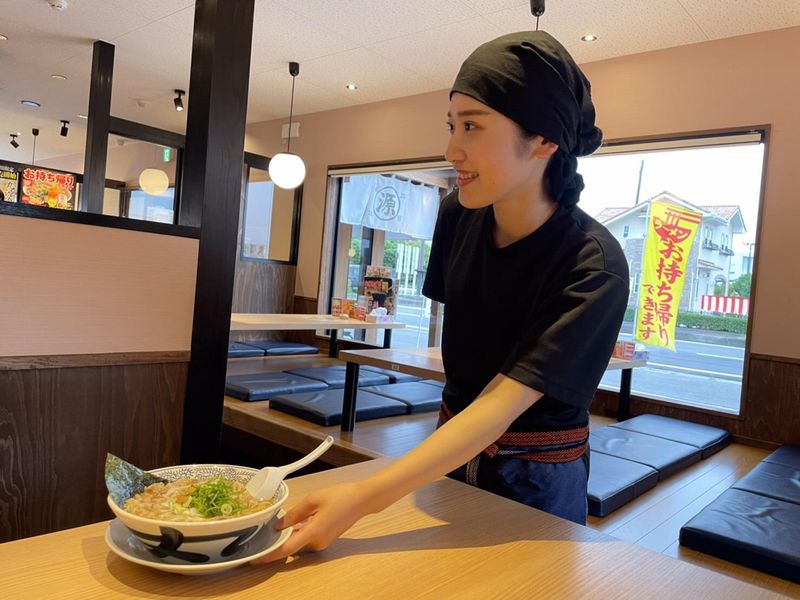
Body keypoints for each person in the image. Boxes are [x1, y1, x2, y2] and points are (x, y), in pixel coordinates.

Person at [254, 30, 629, 564]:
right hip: (449, 448)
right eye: (452, 126)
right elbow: (472, 344)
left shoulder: (594, 263)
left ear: (543, 140)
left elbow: (501, 404)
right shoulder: (458, 213)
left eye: (472, 125)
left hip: (537, 475)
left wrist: (362, 496)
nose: (452, 150)